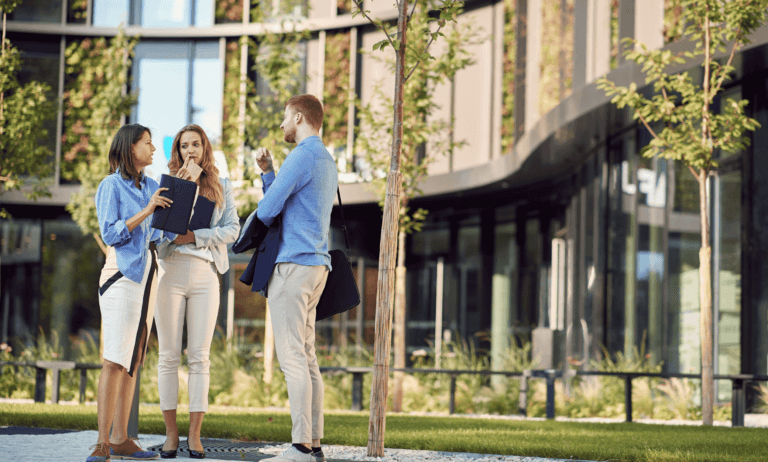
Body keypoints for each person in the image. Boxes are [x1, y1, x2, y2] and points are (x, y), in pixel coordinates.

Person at [251, 94, 338, 462]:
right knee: (307, 356)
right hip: (317, 264)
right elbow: (291, 203)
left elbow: (269, 209)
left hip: (293, 266)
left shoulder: (301, 155)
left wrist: (268, 183)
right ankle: (313, 442)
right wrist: (269, 172)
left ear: (300, 116)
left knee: (291, 358)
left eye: (286, 117)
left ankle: (300, 446)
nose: (283, 124)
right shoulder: (326, 158)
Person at [154, 124, 240, 459]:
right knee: (168, 357)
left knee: (199, 358)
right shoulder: (166, 185)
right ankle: (171, 436)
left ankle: (195, 436)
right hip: (172, 272)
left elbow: (232, 229)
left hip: (205, 274)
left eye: (196, 144)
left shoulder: (222, 187)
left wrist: (195, 237)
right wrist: (182, 189)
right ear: (177, 151)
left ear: (205, 149)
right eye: (184, 145)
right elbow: (160, 234)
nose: (191, 150)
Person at [89, 124, 174, 462]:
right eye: (148, 143)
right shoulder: (110, 186)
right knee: (113, 358)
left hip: (150, 275)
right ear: (130, 147)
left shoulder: (152, 185)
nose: (153, 149)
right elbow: (111, 234)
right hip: (122, 275)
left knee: (133, 360)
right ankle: (101, 442)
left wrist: (183, 183)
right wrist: (148, 210)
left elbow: (169, 222)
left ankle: (121, 437)